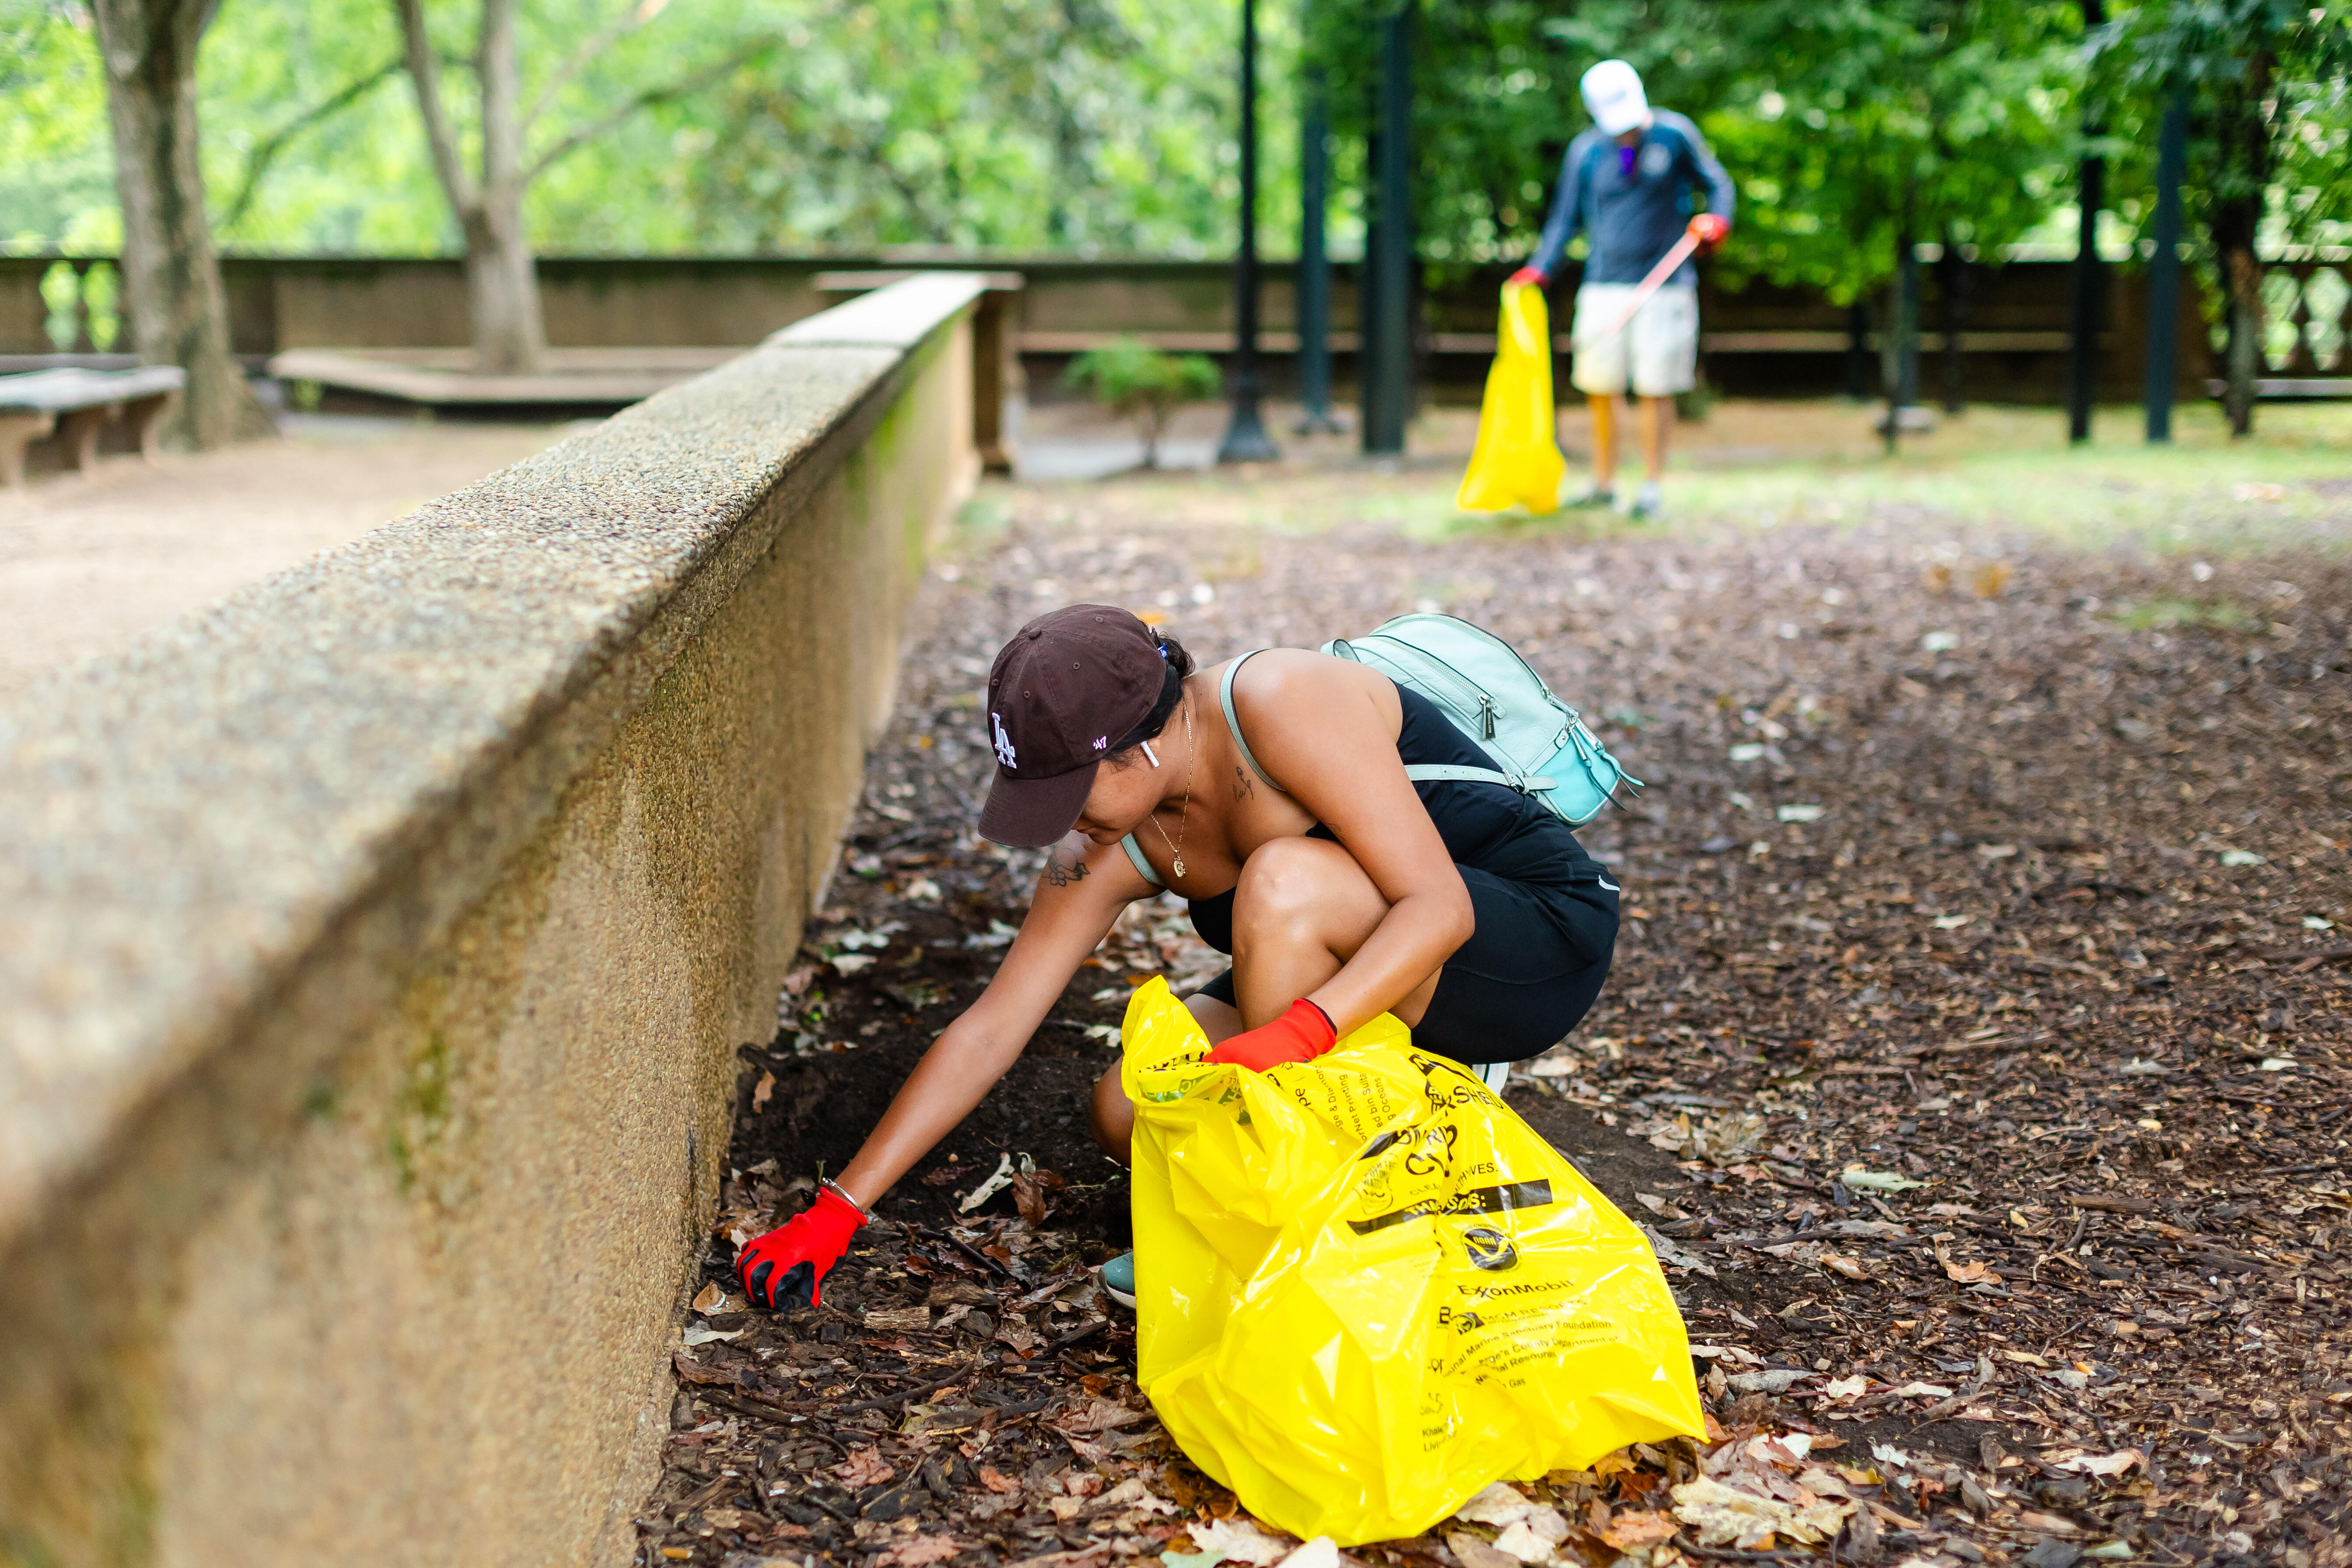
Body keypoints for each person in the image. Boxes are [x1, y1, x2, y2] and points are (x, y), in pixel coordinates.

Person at [734, 606, 1621, 1313]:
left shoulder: (1279, 702)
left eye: (1067, 791)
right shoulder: (1106, 837)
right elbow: (995, 1023)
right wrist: (837, 1209)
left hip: (1523, 941)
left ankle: (1292, 1233)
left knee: (1281, 882)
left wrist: (1304, 1031)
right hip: (1340, 960)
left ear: (1143, 745)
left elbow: (1440, 906)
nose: (1058, 821)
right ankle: (1354, 1146)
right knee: (1127, 1105)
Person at [1511, 59, 1734, 520]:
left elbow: (1718, 184)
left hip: (1665, 287)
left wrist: (1717, 221)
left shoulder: (1675, 136)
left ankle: (1651, 486)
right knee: (1600, 385)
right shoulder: (1586, 152)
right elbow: (1563, 218)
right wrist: (1540, 268)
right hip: (1602, 285)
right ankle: (1603, 483)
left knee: (1655, 387)